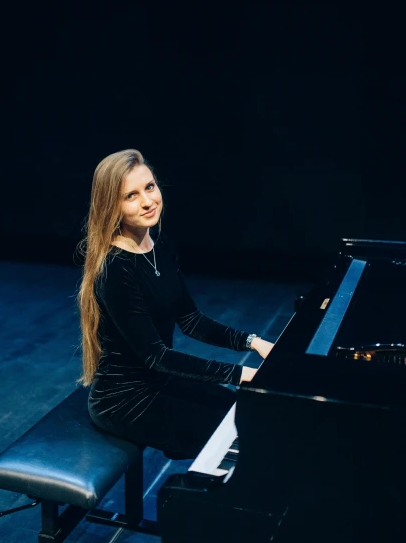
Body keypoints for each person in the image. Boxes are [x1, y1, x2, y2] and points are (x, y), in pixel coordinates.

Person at [77, 149, 274, 459]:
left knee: (242, 409)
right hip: (124, 401)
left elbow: (191, 319)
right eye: (131, 195)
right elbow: (157, 356)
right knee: (234, 432)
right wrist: (241, 375)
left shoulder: (160, 244)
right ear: (111, 206)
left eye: (150, 187)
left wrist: (254, 342)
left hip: (160, 381)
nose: (147, 201)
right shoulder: (115, 269)